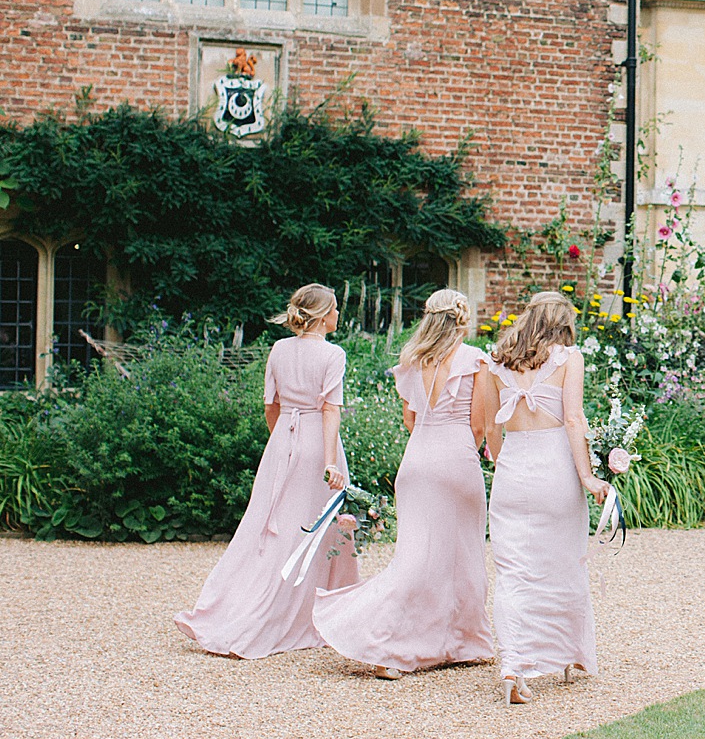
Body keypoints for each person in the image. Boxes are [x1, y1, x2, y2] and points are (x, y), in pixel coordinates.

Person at [313, 290, 495, 679]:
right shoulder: (476, 360)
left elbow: (410, 420)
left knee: (414, 555)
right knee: (462, 552)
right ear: (462, 320)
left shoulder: (412, 361)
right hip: (456, 458)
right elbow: (478, 425)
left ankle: (424, 642)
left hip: (416, 461)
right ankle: (447, 641)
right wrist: (467, 450)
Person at [175, 284, 357, 658]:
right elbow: (330, 410)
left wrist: (282, 445)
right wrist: (328, 462)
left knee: (268, 527)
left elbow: (270, 407)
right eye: (336, 309)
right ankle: (312, 613)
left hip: (282, 445)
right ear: (323, 316)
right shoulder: (333, 354)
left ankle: (236, 605)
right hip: (316, 445)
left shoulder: (278, 349)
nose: (339, 314)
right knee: (311, 528)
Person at [475, 291, 610, 704]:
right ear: (562, 323)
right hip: (556, 472)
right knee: (565, 564)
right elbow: (573, 419)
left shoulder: (491, 362)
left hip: (513, 472)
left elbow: (488, 430)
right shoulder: (568, 358)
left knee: (513, 573)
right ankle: (570, 656)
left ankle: (514, 667)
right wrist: (587, 476)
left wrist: (504, 463)